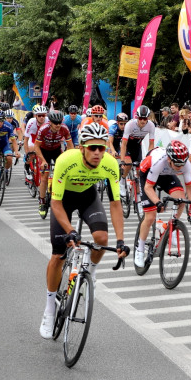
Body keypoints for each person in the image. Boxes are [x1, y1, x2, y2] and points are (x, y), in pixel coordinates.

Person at [39, 123, 127, 338]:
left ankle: (92, 271)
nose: (97, 152)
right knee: (59, 254)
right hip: (64, 200)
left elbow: (115, 204)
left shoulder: (109, 164)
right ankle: (49, 309)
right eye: (92, 148)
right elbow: (56, 203)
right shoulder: (65, 161)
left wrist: (120, 241)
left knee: (101, 237)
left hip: (88, 197)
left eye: (102, 148)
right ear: (82, 148)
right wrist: (70, 230)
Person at [134, 141, 191, 269]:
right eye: (177, 164)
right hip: (147, 175)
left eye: (182, 164)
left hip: (167, 174)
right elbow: (148, 187)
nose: (180, 167)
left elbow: (190, 187)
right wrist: (157, 202)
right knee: (151, 216)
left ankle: (172, 229)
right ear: (169, 159)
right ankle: (140, 249)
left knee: (181, 200)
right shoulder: (159, 161)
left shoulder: (184, 163)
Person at [34, 110, 74, 218]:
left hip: (56, 150)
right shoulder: (43, 129)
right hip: (44, 151)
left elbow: (70, 146)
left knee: (62, 173)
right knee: (44, 177)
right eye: (55, 123)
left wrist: (70, 159)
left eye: (60, 122)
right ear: (50, 122)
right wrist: (43, 161)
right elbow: (36, 147)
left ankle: (59, 196)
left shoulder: (64, 129)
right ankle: (42, 201)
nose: (58, 125)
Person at [119, 105, 156, 198]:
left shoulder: (151, 125)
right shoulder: (130, 124)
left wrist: (149, 159)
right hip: (127, 145)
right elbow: (123, 144)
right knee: (129, 164)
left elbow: (151, 144)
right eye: (140, 118)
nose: (143, 121)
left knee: (140, 172)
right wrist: (122, 160)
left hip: (137, 147)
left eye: (145, 118)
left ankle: (138, 197)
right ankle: (122, 181)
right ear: (137, 117)